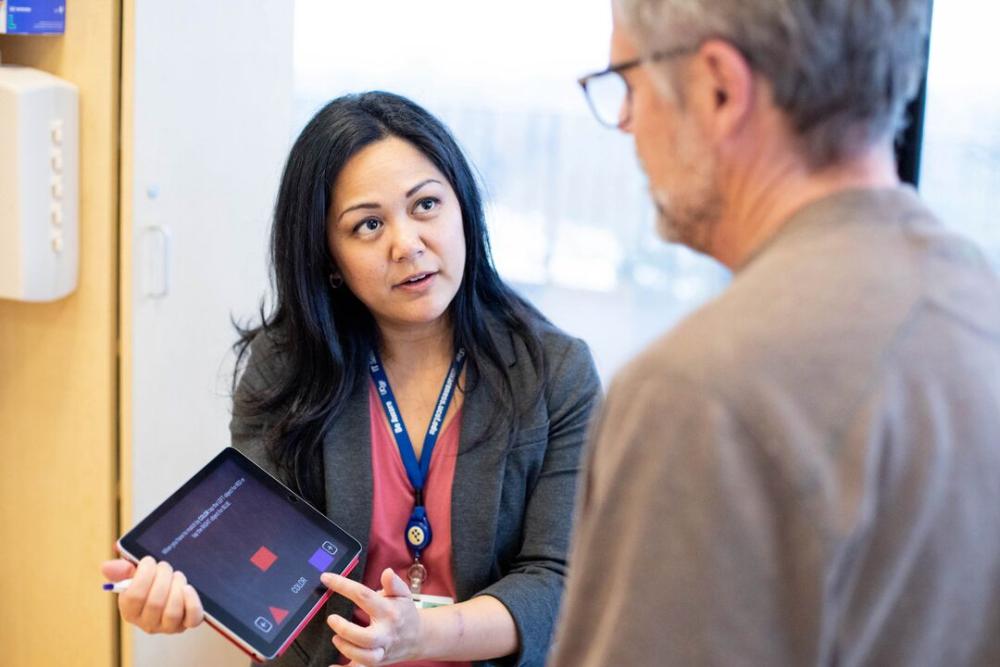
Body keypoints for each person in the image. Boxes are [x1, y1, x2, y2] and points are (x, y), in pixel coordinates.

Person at [552, 1, 1000, 665]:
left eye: (629, 83)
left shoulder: (701, 391)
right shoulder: (975, 302)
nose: (624, 121)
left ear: (719, 88)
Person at [102, 91, 601, 667]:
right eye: (367, 225)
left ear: (463, 207)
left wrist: (421, 636)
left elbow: (560, 579)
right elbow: (263, 563)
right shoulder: (285, 368)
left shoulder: (555, 374)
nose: (407, 244)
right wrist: (190, 593)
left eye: (426, 205)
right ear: (328, 257)